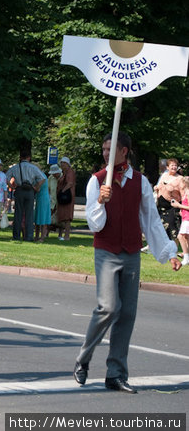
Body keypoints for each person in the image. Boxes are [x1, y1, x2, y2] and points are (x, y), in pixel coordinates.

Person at [73, 132, 181, 394]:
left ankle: (116, 373)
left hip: (131, 252)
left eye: (110, 149)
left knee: (127, 314)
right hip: (107, 251)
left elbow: (150, 220)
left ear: (125, 152)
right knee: (108, 307)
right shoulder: (96, 181)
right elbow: (94, 224)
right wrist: (101, 200)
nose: (105, 153)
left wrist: (169, 252)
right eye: (103, 149)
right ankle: (83, 359)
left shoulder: (141, 182)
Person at [6, 150, 45, 241]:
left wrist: (11, 186)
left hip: (19, 189)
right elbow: (42, 178)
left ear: (20, 158)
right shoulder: (33, 167)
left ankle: (16, 236)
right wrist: (36, 187)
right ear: (29, 158)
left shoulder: (15, 167)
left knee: (18, 213)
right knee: (29, 214)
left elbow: (6, 178)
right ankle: (29, 236)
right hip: (30, 190)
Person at [154, 158, 182, 241]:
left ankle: (173, 247)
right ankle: (163, 247)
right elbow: (158, 186)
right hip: (161, 206)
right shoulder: (164, 175)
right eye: (172, 165)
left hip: (172, 206)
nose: (174, 167)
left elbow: (183, 193)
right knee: (160, 227)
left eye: (175, 165)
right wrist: (156, 188)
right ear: (167, 167)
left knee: (172, 227)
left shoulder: (180, 178)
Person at [170, 176, 189, 266]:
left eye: (180, 183)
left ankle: (186, 257)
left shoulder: (188, 193)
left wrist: (179, 206)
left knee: (180, 237)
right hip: (185, 218)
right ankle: (186, 256)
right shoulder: (185, 193)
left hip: (188, 219)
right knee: (185, 238)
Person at [56, 156, 76, 240]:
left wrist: (62, 191)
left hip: (67, 197)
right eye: (61, 163)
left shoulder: (70, 172)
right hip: (63, 196)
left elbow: (70, 183)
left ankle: (66, 235)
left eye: (63, 163)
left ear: (67, 164)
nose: (61, 165)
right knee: (62, 216)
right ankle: (60, 235)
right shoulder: (64, 173)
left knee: (67, 217)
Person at [33, 162, 51, 242]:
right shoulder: (41, 175)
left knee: (42, 218)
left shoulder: (40, 176)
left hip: (42, 198)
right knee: (38, 217)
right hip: (41, 198)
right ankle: (37, 236)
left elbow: (37, 188)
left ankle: (41, 237)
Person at [48, 164, 62, 229]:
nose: (53, 175)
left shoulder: (63, 177)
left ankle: (60, 234)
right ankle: (47, 232)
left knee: (60, 218)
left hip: (61, 200)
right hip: (52, 200)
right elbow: (48, 189)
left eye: (54, 173)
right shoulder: (50, 178)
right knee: (49, 216)